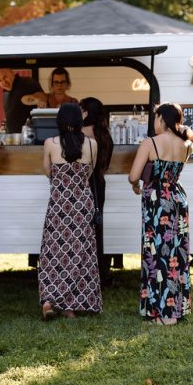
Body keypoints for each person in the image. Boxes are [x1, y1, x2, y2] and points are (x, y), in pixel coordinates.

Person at [128, 102, 193, 325]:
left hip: (157, 202)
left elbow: (133, 176)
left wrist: (137, 184)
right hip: (177, 199)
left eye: (156, 117)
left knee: (156, 255)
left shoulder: (150, 143)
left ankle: (162, 315)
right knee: (176, 255)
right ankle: (176, 310)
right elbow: (192, 138)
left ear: (161, 119)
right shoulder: (186, 144)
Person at [39, 103, 101, 320]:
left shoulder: (50, 143)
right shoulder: (92, 145)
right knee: (79, 253)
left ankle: (49, 301)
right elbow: (89, 173)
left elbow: (48, 172)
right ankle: (70, 306)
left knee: (53, 252)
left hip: (59, 204)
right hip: (81, 205)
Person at [80, 97, 114, 286]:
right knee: (97, 228)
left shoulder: (82, 133)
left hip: (84, 184)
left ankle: (84, 273)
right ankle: (100, 272)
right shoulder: (104, 134)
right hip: (99, 184)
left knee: (81, 230)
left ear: (85, 112)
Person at [0, 68, 43, 133]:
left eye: (5, 77)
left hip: (30, 136)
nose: (4, 82)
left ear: (12, 73)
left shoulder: (27, 83)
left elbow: (43, 102)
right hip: (14, 138)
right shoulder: (6, 92)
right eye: (0, 81)